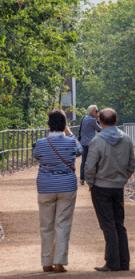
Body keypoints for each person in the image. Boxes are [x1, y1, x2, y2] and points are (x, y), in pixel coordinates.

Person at [85, 108, 135, 272]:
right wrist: (122, 179)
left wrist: (91, 183)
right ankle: (124, 262)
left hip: (101, 187)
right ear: (116, 120)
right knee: (119, 224)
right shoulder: (127, 139)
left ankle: (112, 263)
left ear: (100, 121)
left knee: (108, 225)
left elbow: (89, 167)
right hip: (118, 188)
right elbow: (132, 165)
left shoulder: (97, 141)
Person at [33, 110, 83, 273]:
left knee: (46, 225)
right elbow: (80, 150)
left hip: (46, 187)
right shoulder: (70, 142)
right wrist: (69, 133)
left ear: (48, 125)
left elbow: (37, 157)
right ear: (64, 125)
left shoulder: (40, 143)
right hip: (67, 187)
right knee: (63, 225)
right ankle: (59, 262)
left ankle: (46, 262)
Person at [79, 105, 102, 185]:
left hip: (83, 142)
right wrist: (98, 120)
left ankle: (82, 178)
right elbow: (99, 129)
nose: (97, 112)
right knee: (94, 160)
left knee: (84, 160)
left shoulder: (84, 118)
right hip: (91, 143)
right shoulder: (92, 120)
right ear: (92, 112)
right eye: (96, 111)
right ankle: (93, 178)